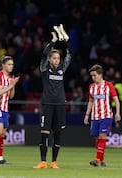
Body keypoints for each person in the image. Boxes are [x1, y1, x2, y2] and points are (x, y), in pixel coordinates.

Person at [33, 24, 72, 169]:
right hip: (47, 104)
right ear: (50, 59)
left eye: (58, 58)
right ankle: (43, 161)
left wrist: (66, 41)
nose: (56, 60)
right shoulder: (44, 68)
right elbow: (44, 54)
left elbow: (70, 54)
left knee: (57, 133)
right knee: (44, 133)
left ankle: (54, 162)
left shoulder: (62, 69)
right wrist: (53, 42)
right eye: (54, 58)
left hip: (60, 104)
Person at [84, 64, 121, 167]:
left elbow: (116, 100)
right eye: (92, 76)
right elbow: (90, 102)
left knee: (102, 136)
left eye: (95, 75)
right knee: (97, 139)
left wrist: (117, 113)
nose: (93, 77)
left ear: (100, 75)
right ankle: (102, 160)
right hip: (95, 117)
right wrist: (87, 115)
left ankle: (97, 159)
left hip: (106, 116)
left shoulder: (108, 85)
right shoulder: (91, 87)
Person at [0, 56, 20, 164]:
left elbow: (11, 96)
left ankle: (0, 158)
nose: (11, 67)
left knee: (2, 134)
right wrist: (11, 85)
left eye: (12, 65)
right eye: (9, 64)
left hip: (5, 108)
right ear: (3, 65)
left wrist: (13, 85)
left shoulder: (10, 78)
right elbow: (0, 92)